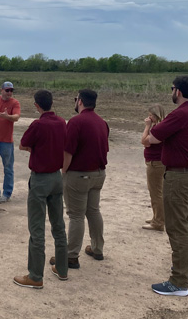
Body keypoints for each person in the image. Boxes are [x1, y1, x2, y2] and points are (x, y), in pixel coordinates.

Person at [144, 75, 188, 297]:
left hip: (178, 177)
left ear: (177, 91)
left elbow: (153, 138)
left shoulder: (180, 113)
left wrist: (149, 127)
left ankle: (178, 282)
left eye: (172, 88)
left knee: (177, 228)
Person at [13, 90, 68, 289]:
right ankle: (62, 269)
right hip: (56, 177)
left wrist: (34, 150)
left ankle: (35, 276)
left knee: (36, 228)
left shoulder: (38, 124)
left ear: (37, 105)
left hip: (40, 179)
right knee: (58, 225)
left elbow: (22, 145)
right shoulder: (62, 122)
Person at [51, 89, 109, 269]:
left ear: (81, 101)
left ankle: (71, 255)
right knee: (93, 211)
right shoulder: (102, 122)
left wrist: (63, 172)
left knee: (75, 215)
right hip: (99, 173)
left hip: (79, 174)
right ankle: (98, 248)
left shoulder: (76, 122)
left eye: (75, 99)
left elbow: (68, 152)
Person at [141, 104, 166, 232]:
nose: (149, 117)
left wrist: (147, 126)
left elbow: (144, 141)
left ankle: (159, 221)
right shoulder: (159, 127)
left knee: (156, 192)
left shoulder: (157, 128)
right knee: (155, 192)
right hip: (155, 162)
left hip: (156, 163)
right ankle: (157, 216)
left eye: (151, 115)